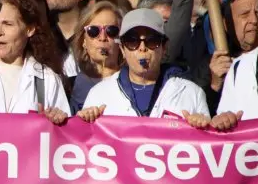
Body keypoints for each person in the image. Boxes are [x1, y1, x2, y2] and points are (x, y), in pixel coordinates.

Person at [78, 8, 209, 121]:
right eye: (132, 41)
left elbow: (206, 145)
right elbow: (85, 144)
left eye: (152, 41)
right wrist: (85, 122)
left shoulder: (191, 93)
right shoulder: (99, 94)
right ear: (122, 49)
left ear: (164, 47)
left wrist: (202, 126)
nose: (142, 47)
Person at [69, 1, 123, 114]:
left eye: (111, 31)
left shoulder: (132, 81)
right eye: (93, 31)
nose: (102, 37)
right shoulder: (69, 85)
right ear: (83, 41)